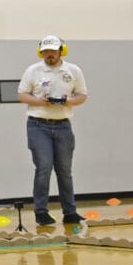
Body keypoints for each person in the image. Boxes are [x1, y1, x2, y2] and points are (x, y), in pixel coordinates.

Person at [17, 35, 88, 226]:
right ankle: (41, 212)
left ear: (61, 51)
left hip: (63, 125)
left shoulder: (73, 70)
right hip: (38, 125)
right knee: (44, 167)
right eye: (46, 51)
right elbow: (22, 95)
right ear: (41, 52)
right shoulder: (33, 70)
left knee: (64, 170)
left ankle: (70, 212)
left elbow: (82, 95)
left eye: (53, 51)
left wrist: (68, 101)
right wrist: (40, 102)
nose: (49, 54)